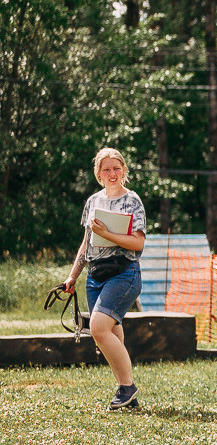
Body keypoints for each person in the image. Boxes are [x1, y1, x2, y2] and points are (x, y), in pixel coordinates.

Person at [62, 148, 147, 410]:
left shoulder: (132, 200)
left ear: (124, 171)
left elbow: (138, 244)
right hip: (95, 275)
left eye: (117, 168)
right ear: (98, 174)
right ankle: (127, 394)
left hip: (125, 273)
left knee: (98, 327)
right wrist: (73, 275)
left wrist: (107, 233)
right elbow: (87, 241)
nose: (112, 173)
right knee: (111, 333)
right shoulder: (93, 201)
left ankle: (127, 388)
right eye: (106, 169)